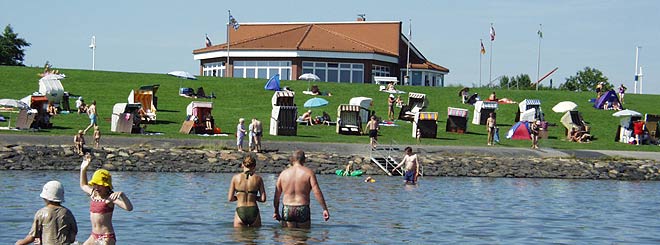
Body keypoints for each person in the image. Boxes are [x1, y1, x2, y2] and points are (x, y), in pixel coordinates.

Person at [80, 154, 133, 245]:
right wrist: (83, 169)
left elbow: (129, 208)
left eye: (100, 186)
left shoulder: (110, 198)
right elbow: (83, 185)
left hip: (106, 237)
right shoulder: (93, 194)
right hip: (93, 236)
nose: (96, 187)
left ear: (107, 186)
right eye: (95, 185)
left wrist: (122, 195)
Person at [273, 150, 330, 228]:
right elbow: (317, 192)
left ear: (292, 159)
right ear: (304, 160)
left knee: (287, 238)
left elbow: (277, 195)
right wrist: (324, 209)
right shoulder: (309, 173)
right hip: (302, 208)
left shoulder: (283, 174)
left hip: (287, 208)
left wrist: (276, 211)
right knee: (303, 237)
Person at [15, 180, 78, 245]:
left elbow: (32, 237)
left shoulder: (41, 213)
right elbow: (73, 235)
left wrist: (20, 243)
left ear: (45, 198)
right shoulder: (67, 213)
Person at [228, 155, 266, 227]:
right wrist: (253, 197)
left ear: (243, 164)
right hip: (253, 210)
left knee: (239, 236)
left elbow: (230, 198)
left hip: (240, 209)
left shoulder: (235, 178)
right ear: (254, 166)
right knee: (253, 236)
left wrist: (239, 196)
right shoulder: (258, 178)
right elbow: (263, 199)